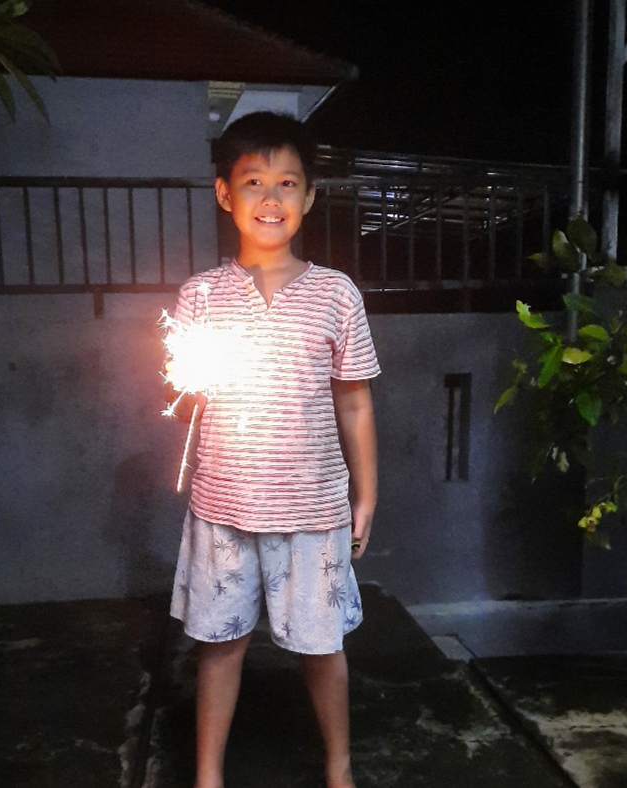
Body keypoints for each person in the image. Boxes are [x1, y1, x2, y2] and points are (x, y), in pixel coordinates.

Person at [166, 111, 379, 788]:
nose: (270, 197)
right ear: (224, 193)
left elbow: (354, 401)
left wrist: (366, 494)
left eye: (288, 183)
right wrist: (186, 380)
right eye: (253, 181)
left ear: (309, 196)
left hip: (313, 508)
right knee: (220, 645)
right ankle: (207, 775)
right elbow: (186, 399)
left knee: (322, 647)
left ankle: (340, 768)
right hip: (223, 506)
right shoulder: (200, 296)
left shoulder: (336, 294)